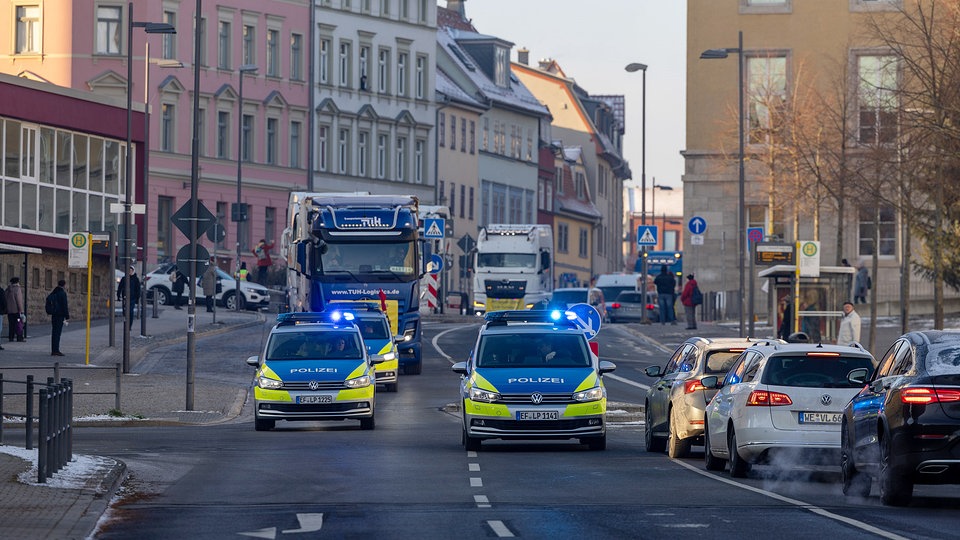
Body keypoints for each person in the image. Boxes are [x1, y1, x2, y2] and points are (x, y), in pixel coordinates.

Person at [117, 266, 141, 331]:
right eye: (129, 270)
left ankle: (129, 326)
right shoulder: (124, 278)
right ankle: (125, 324)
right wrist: (118, 295)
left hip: (132, 298)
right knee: (125, 312)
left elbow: (138, 289)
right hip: (125, 298)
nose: (130, 272)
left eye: (131, 270)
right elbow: (120, 287)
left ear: (133, 271)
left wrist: (137, 298)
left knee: (130, 312)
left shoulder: (136, 279)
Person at [49, 279, 69, 356]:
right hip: (60, 315)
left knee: (54, 333)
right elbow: (65, 305)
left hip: (54, 315)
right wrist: (67, 316)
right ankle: (56, 350)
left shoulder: (54, 292)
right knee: (57, 333)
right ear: (64, 285)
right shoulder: (62, 293)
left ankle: (53, 349)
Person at [6, 277, 25, 342]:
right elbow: (19, 300)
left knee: (11, 324)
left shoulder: (8, 289)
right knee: (19, 323)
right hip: (17, 311)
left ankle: (11, 337)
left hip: (9, 311)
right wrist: (21, 310)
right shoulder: (17, 289)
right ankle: (19, 337)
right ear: (17, 282)